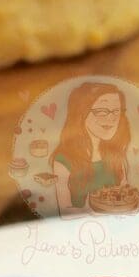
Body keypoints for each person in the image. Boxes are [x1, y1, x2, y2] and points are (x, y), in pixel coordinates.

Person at [52, 81, 131, 216]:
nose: (112, 118)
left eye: (116, 111)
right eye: (101, 111)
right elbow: (64, 211)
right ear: (81, 112)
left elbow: (125, 195)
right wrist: (91, 211)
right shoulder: (63, 161)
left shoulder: (116, 155)